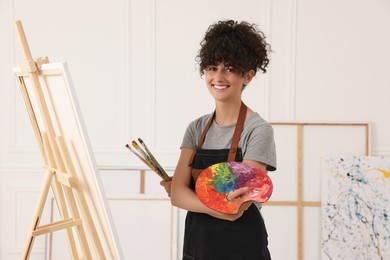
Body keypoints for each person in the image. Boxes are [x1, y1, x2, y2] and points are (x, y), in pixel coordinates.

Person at [160, 19, 277, 260]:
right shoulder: (195, 129)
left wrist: (190, 195)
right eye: (212, 67)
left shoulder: (258, 130)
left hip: (242, 250)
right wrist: (216, 205)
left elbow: (239, 203)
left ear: (248, 75)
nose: (218, 76)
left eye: (230, 69)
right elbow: (177, 196)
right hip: (197, 247)